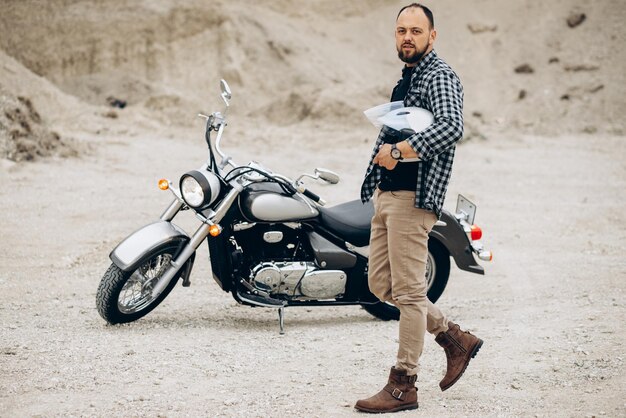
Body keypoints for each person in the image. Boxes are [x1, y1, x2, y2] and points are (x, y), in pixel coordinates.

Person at [355, 3, 483, 413]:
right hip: (389, 196)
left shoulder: (439, 74)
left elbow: (451, 126)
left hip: (414, 198)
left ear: (432, 35)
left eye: (416, 30)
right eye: (401, 31)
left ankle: (403, 384)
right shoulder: (409, 78)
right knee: (380, 286)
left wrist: (399, 149)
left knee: (409, 293)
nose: (407, 37)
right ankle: (453, 337)